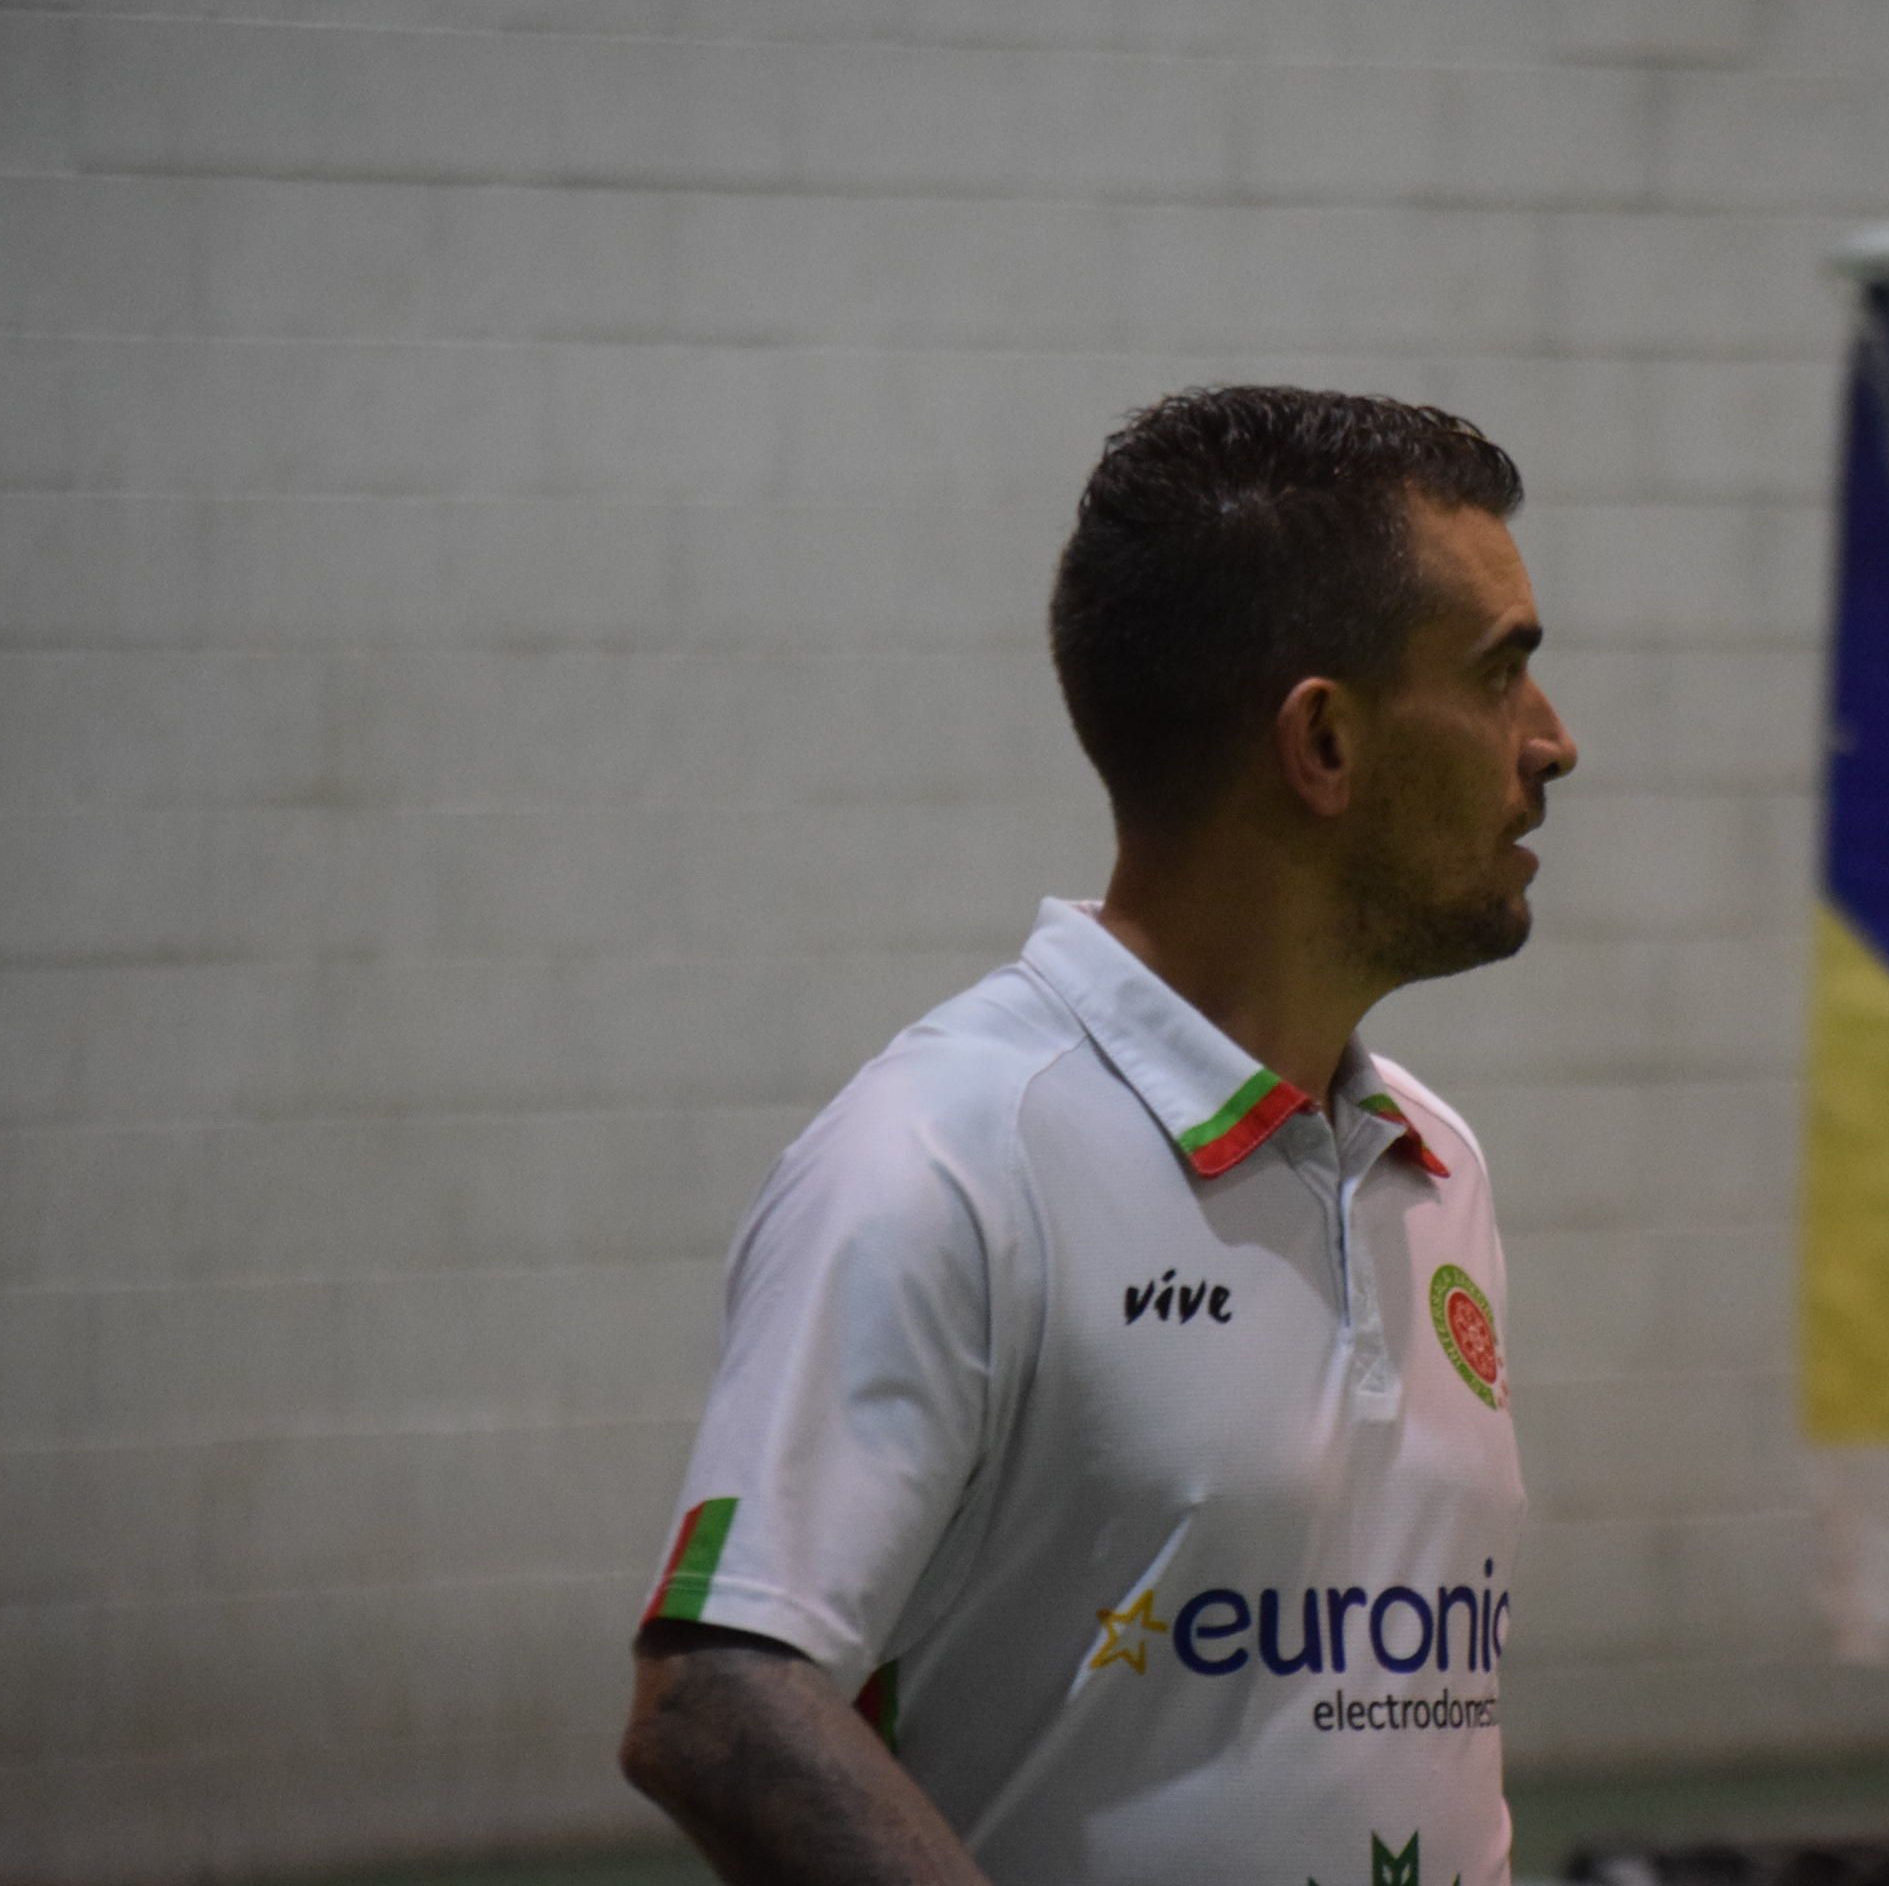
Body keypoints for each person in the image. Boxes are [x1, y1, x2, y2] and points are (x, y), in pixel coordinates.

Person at [618, 385, 1579, 1886]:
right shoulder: (945, 1157)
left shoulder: (1435, 1164)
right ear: (1322, 742)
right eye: (1503, 673)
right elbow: (721, 1703)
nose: (1553, 742)